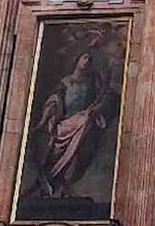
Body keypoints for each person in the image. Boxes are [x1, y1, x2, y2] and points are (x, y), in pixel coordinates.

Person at [31, 52, 110, 199]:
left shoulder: (93, 82)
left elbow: (101, 99)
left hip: (82, 121)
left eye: (90, 59)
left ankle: (64, 187)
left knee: (77, 153)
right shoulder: (65, 82)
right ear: (77, 60)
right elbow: (55, 101)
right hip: (66, 124)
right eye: (85, 57)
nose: (87, 61)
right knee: (55, 154)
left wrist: (95, 110)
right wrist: (46, 119)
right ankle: (50, 186)